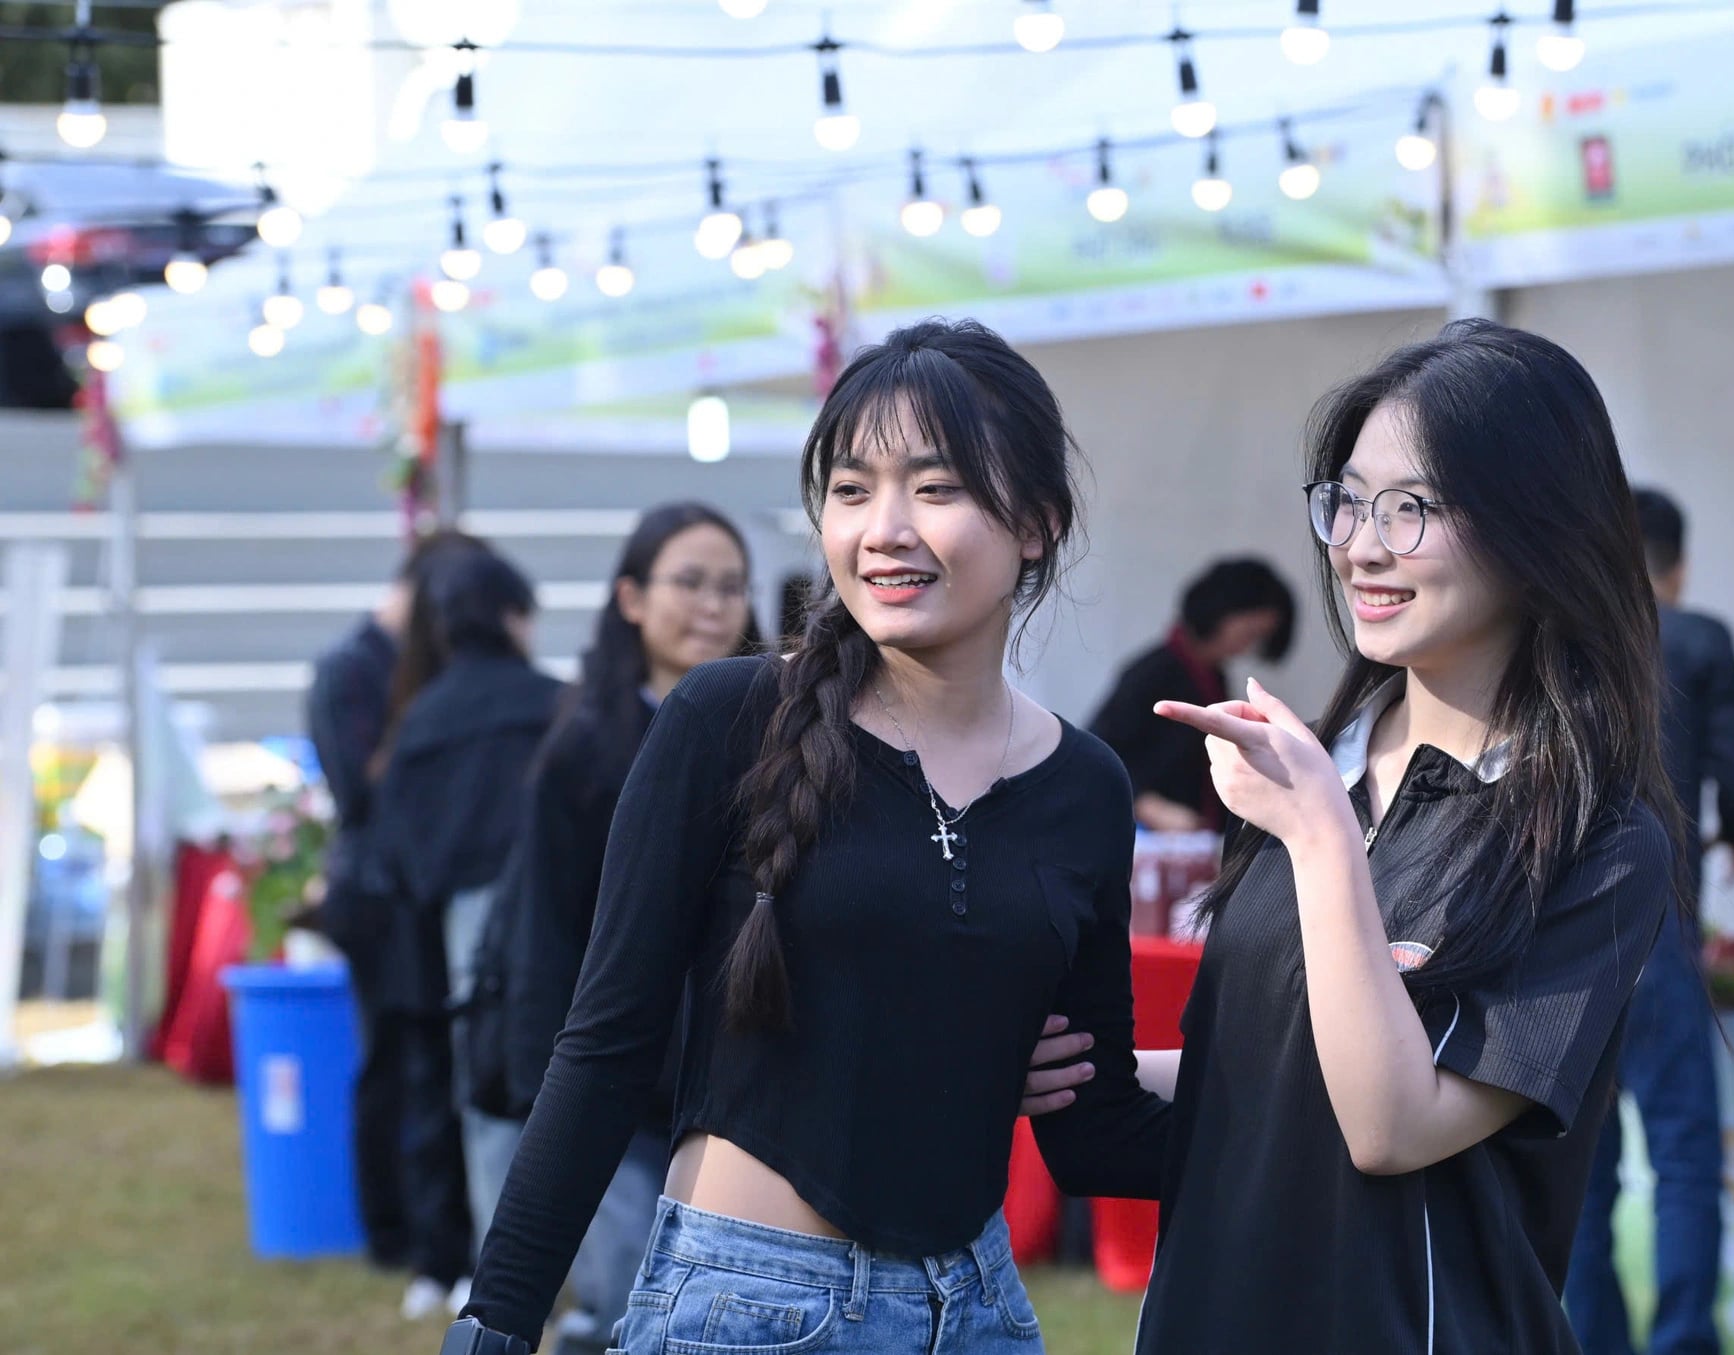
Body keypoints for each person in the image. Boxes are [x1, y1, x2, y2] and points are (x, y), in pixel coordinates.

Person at [446, 318, 1168, 1355]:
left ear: (1037, 521)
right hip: (748, 1307)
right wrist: (497, 1318)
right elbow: (606, 1042)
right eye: (850, 488)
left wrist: (1350, 1096)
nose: (884, 528)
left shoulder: (1085, 785)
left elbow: (1093, 1127)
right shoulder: (722, 720)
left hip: (975, 1311)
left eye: (935, 487)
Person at [1037, 319, 1677, 1354]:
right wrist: (1063, 1062)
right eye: (1347, 500)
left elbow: (1390, 1123)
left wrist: (1321, 839)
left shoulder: (1595, 839)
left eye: (1412, 507)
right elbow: (1261, 1070)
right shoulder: (1317, 768)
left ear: (1537, 524)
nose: (1359, 544)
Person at [481, 503, 760, 1355]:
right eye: (689, 582)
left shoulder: (780, 738)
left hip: (735, 1089)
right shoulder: (584, 747)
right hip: (618, 1084)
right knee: (633, 1294)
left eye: (731, 587)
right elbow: (545, 931)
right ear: (631, 598)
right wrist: (544, 1093)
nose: (713, 606)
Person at [1564, 487, 1734, 1355]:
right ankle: (1683, 1339)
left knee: (1583, 1171)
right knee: (1686, 1159)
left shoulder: (1569, 642)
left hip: (1573, 946)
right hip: (1666, 930)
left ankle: (1590, 1337)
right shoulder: (1699, 639)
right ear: (1677, 563)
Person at [371, 545, 563, 1310]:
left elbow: (397, 842)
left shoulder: (420, 718)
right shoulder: (557, 701)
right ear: (515, 617)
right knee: (579, 1085)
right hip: (561, 919)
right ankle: (592, 1274)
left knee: (482, 1092)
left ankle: (505, 1275)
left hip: (459, 931)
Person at [307, 529, 482, 1297]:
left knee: (431, 1064)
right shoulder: (351, 670)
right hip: (378, 897)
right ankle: (393, 1233)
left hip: (418, 887)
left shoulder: (420, 668)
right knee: (393, 1065)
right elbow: (362, 795)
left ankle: (435, 1233)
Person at [1088, 557, 1295, 831]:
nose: (1247, 647)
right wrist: (1150, 806)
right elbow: (1098, 751)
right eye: (1249, 633)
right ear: (1221, 613)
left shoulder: (1213, 678)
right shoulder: (1154, 673)